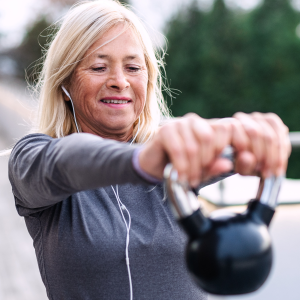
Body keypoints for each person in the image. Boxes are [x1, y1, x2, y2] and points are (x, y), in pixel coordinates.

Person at [8, 1, 291, 299]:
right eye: (99, 67)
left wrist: (254, 134)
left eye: (133, 67)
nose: (119, 81)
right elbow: (65, 161)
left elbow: (233, 144)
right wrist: (142, 161)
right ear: (65, 83)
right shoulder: (34, 158)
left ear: (148, 78)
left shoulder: (173, 152)